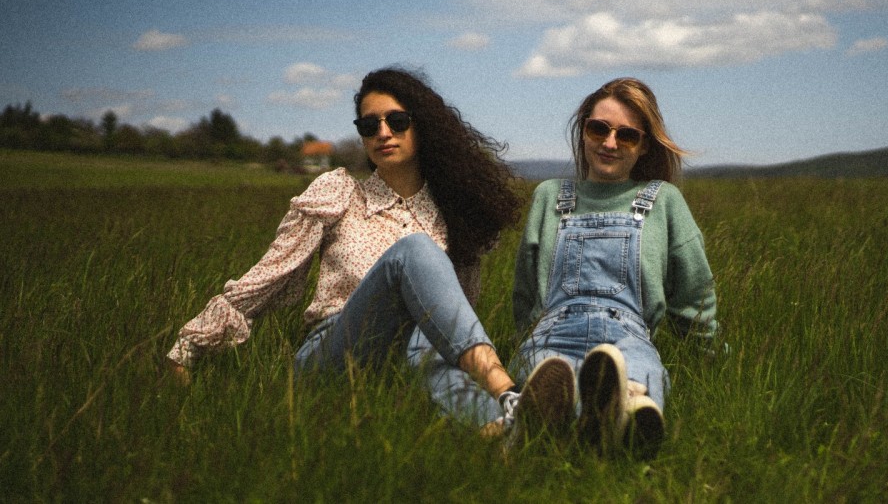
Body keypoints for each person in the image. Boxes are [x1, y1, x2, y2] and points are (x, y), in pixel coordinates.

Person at [167, 67, 575, 437]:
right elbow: (270, 274)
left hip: (414, 356)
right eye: (369, 124)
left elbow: (457, 311)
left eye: (397, 121)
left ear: (423, 127)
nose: (383, 132)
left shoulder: (452, 212)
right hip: (334, 352)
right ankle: (510, 393)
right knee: (413, 252)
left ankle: (506, 432)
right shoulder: (339, 193)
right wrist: (190, 346)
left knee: (423, 343)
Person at [512, 77, 722, 458]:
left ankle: (601, 424)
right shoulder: (549, 197)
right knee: (549, 383)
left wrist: (714, 357)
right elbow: (526, 291)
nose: (609, 143)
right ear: (583, 132)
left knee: (641, 382)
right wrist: (525, 340)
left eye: (626, 136)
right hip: (551, 338)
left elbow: (694, 295)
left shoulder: (664, 201)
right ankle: (600, 427)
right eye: (598, 129)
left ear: (643, 147)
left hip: (629, 340)